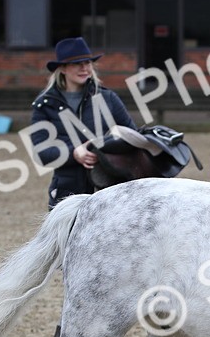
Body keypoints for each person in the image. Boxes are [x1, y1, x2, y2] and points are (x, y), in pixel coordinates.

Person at [31, 37, 137, 210]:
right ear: (63, 68)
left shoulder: (108, 98)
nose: (84, 68)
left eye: (88, 62)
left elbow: (131, 136)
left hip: (107, 188)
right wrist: (74, 153)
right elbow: (41, 153)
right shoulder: (44, 105)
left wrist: (102, 146)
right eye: (76, 63)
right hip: (66, 191)